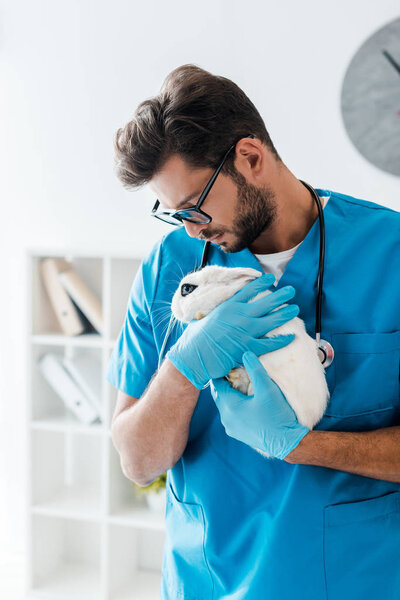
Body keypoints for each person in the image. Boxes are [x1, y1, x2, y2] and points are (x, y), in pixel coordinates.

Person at [106, 64, 400, 600]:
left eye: (195, 206)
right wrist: (183, 369)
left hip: (354, 580)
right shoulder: (170, 269)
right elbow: (136, 459)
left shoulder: (392, 255)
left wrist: (303, 447)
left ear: (251, 157)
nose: (192, 229)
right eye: (174, 215)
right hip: (206, 581)